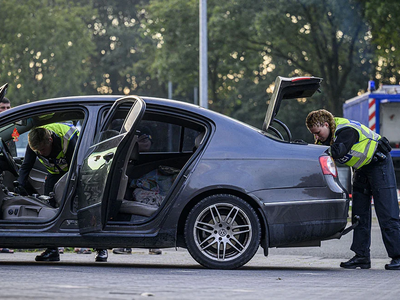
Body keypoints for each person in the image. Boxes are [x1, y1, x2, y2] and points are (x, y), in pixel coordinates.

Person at [306, 109, 400, 270]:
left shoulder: (346, 131)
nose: (317, 137)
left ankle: (398, 256)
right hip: (361, 169)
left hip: (379, 164)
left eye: (318, 132)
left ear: (326, 124)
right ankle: (361, 257)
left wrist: (314, 151)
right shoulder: (328, 136)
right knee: (359, 214)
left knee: (386, 212)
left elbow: (337, 151)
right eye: (314, 134)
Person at [17, 123, 108, 262]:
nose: (40, 153)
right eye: (38, 151)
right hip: (54, 173)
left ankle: (101, 248)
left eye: (42, 149)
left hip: (77, 172)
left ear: (50, 140)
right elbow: (26, 165)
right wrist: (20, 184)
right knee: (49, 208)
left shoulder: (68, 139)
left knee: (85, 208)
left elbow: (78, 164)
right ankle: (52, 249)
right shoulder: (34, 142)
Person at [113, 127, 162, 256]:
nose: (144, 141)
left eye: (147, 138)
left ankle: (152, 242)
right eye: (140, 139)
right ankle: (127, 243)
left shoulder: (154, 161)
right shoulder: (123, 159)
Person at [0, 96, 14, 254]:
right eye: (2, 108)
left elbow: (16, 140)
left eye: (7, 108)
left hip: (8, 168)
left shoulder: (12, 127)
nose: (5, 111)